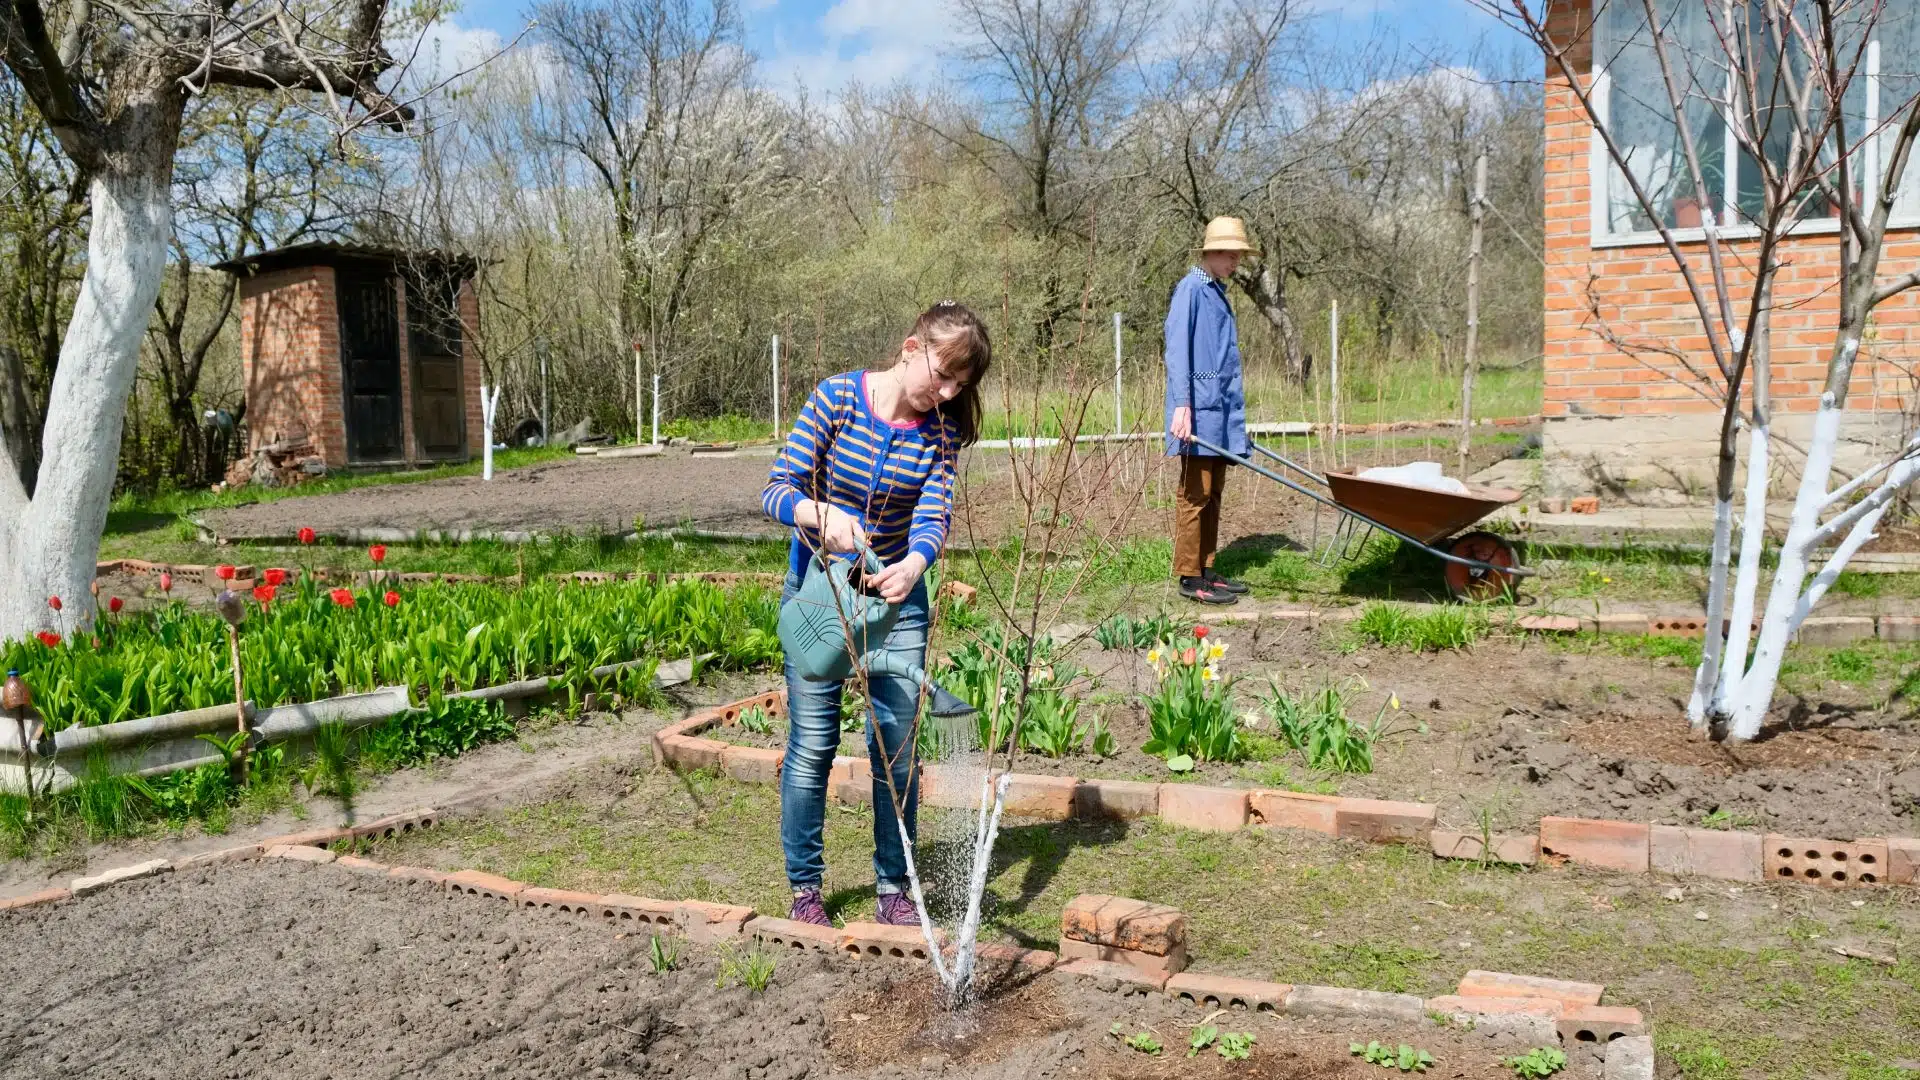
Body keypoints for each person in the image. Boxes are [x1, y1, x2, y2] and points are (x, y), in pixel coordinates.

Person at [761, 301, 992, 928]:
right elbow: (777, 488)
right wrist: (821, 516)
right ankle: (805, 888)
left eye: (959, 386)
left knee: (896, 749)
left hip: (896, 600)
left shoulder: (940, 432)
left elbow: (933, 513)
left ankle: (895, 885)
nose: (945, 394)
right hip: (823, 596)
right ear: (911, 348)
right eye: (942, 376)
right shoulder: (837, 399)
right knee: (812, 747)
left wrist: (916, 564)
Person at [1165, 216, 1255, 606]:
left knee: (1213, 492)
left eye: (1238, 255)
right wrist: (1182, 405)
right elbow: (1177, 350)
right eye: (1230, 254)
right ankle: (1188, 576)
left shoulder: (1217, 291)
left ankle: (1207, 569)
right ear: (1211, 253)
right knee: (1195, 494)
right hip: (1197, 411)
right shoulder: (1191, 289)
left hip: (1218, 411)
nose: (1236, 261)